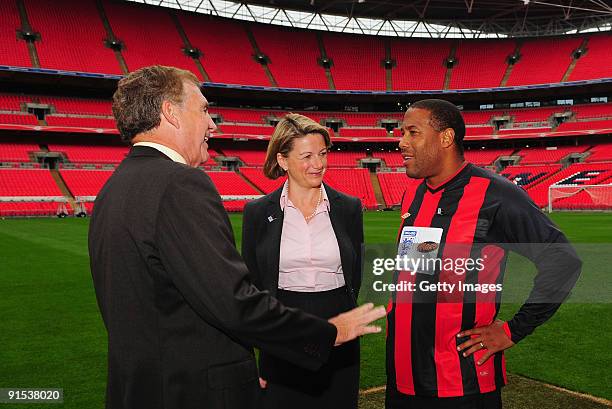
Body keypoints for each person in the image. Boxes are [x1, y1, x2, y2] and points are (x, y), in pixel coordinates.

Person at [88, 65, 386, 409]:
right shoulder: (181, 184)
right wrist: (328, 334)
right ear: (171, 113)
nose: (212, 123)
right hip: (191, 390)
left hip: (144, 387)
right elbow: (234, 300)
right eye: (202, 110)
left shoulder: (113, 188)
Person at [385, 99, 581, 409]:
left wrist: (512, 330)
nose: (401, 142)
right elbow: (419, 267)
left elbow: (563, 261)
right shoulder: (415, 192)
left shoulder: (496, 195)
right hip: (403, 378)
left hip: (462, 383)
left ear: (446, 138)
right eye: (402, 133)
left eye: (412, 132)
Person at [242, 114, 363, 409]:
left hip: (339, 324)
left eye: (322, 154)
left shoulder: (348, 207)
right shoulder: (257, 212)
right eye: (306, 156)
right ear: (283, 160)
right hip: (283, 324)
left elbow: (356, 273)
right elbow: (252, 285)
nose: (318, 164)